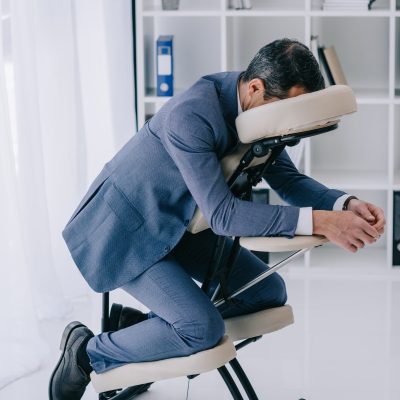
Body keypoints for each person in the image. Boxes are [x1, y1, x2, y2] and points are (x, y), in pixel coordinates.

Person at [49, 38, 385, 400]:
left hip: (178, 226)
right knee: (201, 328)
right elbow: (223, 215)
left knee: (267, 292)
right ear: (256, 88)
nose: (292, 126)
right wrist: (321, 223)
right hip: (126, 233)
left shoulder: (265, 114)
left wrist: (343, 204)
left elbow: (288, 180)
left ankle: (138, 332)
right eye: (291, 107)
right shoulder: (192, 116)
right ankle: (85, 352)